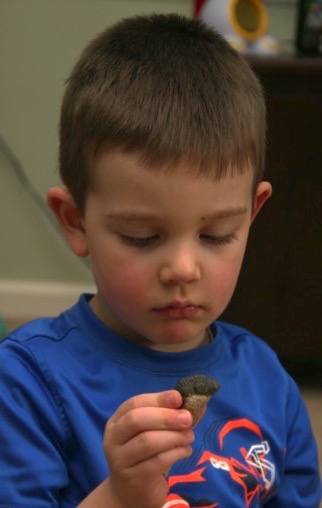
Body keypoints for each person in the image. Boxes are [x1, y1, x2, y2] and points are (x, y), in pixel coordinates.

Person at [0, 13, 320, 508]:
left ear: (252, 215)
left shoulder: (268, 382)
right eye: (142, 236)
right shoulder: (28, 381)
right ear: (76, 221)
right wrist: (119, 496)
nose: (183, 269)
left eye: (217, 235)